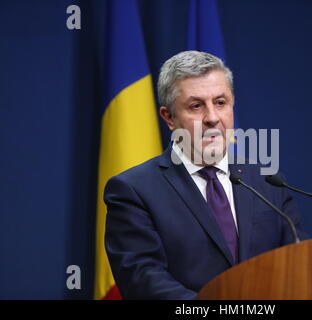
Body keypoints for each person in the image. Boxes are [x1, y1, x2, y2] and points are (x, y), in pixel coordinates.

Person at [104, 51, 301, 299]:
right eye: (196, 106)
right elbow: (143, 280)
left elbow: (297, 265)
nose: (212, 118)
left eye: (220, 102)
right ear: (169, 118)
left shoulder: (268, 182)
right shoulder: (133, 190)